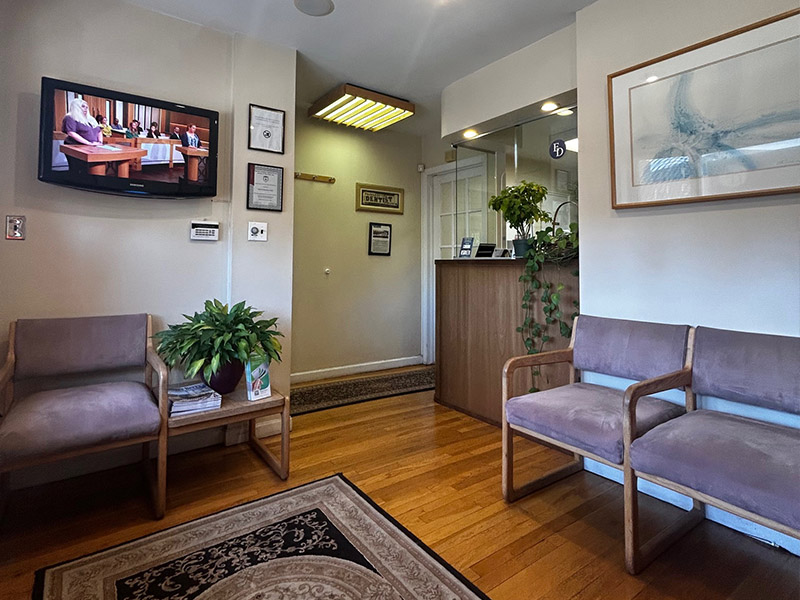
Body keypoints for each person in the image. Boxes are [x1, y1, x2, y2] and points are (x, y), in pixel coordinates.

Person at [61, 98, 102, 174]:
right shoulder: (70, 117)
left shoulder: (91, 119)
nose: (85, 109)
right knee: (78, 171)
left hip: (92, 148)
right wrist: (88, 143)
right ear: (76, 107)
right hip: (76, 147)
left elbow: (99, 131)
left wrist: (100, 142)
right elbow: (71, 133)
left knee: (90, 170)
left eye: (87, 107)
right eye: (83, 106)